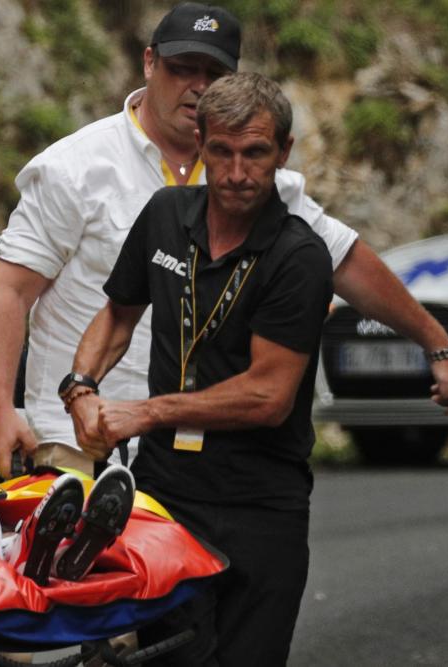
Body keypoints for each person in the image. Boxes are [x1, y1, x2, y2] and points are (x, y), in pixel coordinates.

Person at [0, 1, 448, 480]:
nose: (196, 86)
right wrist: (1, 409)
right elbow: (11, 290)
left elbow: (345, 260)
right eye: (181, 68)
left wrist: (437, 343)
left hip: (198, 451)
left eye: (213, 74)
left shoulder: (251, 176)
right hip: (79, 438)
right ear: (149, 63)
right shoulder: (75, 168)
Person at [70, 71, 331, 665]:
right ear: (200, 143)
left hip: (260, 504)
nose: (238, 173)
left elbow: (269, 395)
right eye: (223, 152)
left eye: (255, 154)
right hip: (168, 494)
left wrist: (146, 411)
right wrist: (81, 386)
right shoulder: (166, 213)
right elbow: (117, 314)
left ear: (283, 153)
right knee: (162, 658)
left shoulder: (299, 256)